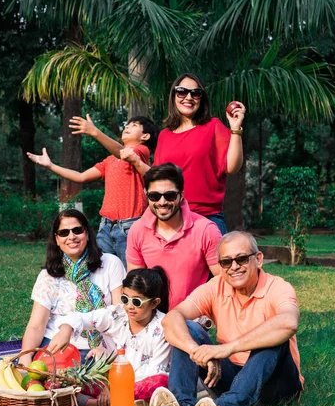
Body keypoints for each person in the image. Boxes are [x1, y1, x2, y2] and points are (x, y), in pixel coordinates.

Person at [0, 209, 125, 406]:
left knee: (113, 380)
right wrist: (25, 360)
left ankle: (84, 400)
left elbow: (119, 313)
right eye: (64, 233)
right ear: (56, 239)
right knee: (35, 379)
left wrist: (106, 349)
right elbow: (36, 326)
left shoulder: (110, 264)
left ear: (87, 233)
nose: (71, 237)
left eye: (77, 230)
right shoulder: (49, 276)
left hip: (100, 349)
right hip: (58, 348)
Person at [149, 231, 303, 406]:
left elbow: (289, 322)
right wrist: (197, 351)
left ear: (258, 259)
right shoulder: (217, 286)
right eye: (226, 262)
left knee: (273, 338)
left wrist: (226, 349)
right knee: (188, 328)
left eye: (241, 259)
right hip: (232, 378)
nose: (234, 267)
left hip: (276, 386)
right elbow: (172, 319)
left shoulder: (278, 287)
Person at [27, 114, 159, 267]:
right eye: (127, 125)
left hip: (129, 226)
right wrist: (50, 165)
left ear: (145, 136)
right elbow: (81, 177)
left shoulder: (141, 152)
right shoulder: (109, 161)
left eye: (134, 125)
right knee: (104, 271)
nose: (127, 127)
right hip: (106, 226)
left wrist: (95, 132)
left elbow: (123, 153)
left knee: (130, 275)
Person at [125, 73, 246, 234]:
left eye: (195, 93)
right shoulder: (165, 135)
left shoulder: (213, 126)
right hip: (171, 219)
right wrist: (136, 162)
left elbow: (232, 167)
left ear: (201, 99)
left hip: (206, 218)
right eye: (182, 91)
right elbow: (157, 177)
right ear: (173, 96)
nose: (189, 97)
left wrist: (235, 128)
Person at [47, 267, 171, 406]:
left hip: (136, 386)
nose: (129, 307)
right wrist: (66, 329)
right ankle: (112, 404)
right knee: (62, 380)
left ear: (155, 303)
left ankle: (92, 404)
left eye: (137, 302)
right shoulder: (115, 315)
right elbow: (81, 317)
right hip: (106, 382)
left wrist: (114, 390)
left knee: (160, 383)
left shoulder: (163, 327)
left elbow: (153, 372)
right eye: (125, 299)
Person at [126, 163, 222, 310]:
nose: (162, 202)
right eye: (155, 196)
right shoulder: (137, 230)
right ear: (147, 196)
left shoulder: (205, 230)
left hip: (192, 317)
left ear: (181, 195)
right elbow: (136, 285)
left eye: (170, 195)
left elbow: (223, 279)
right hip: (152, 318)